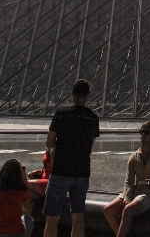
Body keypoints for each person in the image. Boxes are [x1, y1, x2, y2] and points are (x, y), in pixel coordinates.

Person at [44, 79, 101, 237]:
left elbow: (49, 142)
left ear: (72, 94)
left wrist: (58, 147)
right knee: (78, 218)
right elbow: (90, 145)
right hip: (82, 171)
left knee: (52, 219)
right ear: (88, 95)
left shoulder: (62, 113)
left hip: (61, 170)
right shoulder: (93, 118)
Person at [103, 122, 150, 237]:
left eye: (147, 133)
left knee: (128, 210)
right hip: (135, 191)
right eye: (142, 132)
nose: (143, 135)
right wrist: (127, 198)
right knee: (108, 210)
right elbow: (128, 181)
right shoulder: (134, 157)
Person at [0, 159, 34, 237]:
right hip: (13, 232)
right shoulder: (21, 190)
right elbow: (28, 210)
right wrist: (24, 179)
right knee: (28, 219)